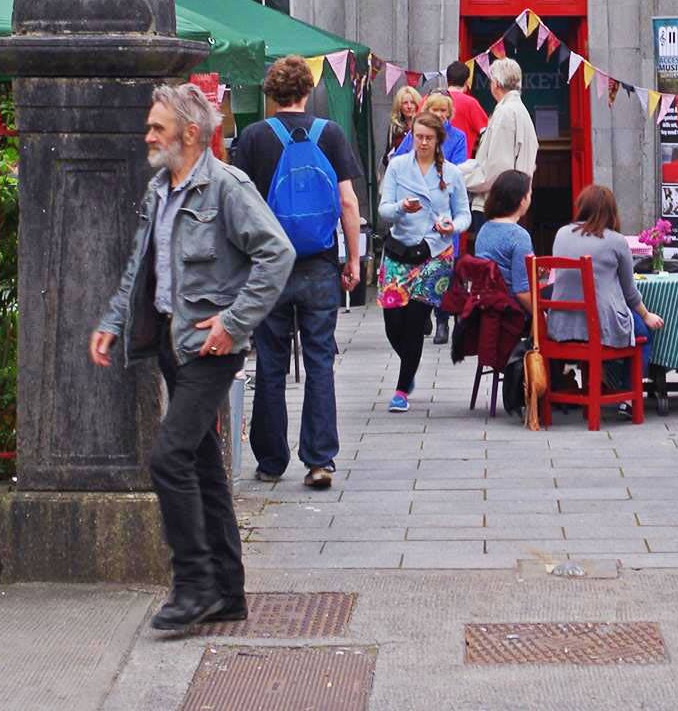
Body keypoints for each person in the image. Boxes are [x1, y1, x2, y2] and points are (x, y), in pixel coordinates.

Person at [90, 84, 294, 633]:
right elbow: (140, 269)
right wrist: (113, 322)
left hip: (210, 349)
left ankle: (194, 584)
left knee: (169, 458)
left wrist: (233, 323)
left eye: (157, 127)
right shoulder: (159, 190)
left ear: (190, 133)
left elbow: (278, 254)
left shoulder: (227, 187)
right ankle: (227, 591)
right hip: (172, 345)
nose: (148, 136)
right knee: (203, 467)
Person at [231, 55, 364, 491]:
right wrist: (353, 259)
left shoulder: (254, 137)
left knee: (270, 362)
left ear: (271, 93)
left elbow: (239, 206)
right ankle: (320, 460)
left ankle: (271, 461)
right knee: (320, 360)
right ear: (308, 90)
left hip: (269, 268)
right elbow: (348, 202)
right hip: (319, 264)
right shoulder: (331, 134)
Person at [375, 110, 469, 411]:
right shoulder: (398, 166)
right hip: (399, 251)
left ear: (439, 140)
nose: (423, 143)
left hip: (435, 252)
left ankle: (402, 390)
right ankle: (410, 364)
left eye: (429, 138)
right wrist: (401, 207)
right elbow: (383, 209)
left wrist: (452, 226)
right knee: (393, 324)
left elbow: (464, 214)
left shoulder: (451, 173)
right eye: (418, 137)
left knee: (415, 322)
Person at [547, 184, 664, 415]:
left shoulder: (561, 234)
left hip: (561, 323)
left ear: (582, 207)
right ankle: (627, 396)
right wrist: (646, 315)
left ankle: (606, 385)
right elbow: (630, 292)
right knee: (643, 332)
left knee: (627, 323)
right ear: (611, 211)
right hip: (599, 325)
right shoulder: (616, 241)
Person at [461, 57, 538, 215]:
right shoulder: (520, 111)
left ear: (495, 83)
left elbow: (496, 170)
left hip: (494, 203)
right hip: (512, 201)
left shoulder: (505, 113)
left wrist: (458, 177)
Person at [469, 169, 537, 327]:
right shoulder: (519, 236)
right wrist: (543, 318)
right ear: (522, 200)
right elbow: (521, 292)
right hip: (511, 312)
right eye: (529, 194)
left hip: (487, 306)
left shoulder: (485, 229)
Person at [444, 60, 490, 152]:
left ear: (447, 80)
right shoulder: (471, 103)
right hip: (462, 157)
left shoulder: (428, 98)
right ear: (466, 81)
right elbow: (487, 133)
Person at [383, 85, 423, 167]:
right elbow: (387, 155)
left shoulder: (425, 125)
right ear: (399, 106)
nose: (409, 106)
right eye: (405, 103)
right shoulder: (394, 127)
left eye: (412, 102)